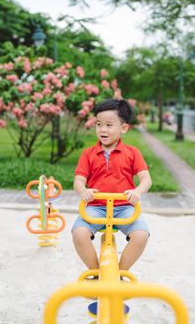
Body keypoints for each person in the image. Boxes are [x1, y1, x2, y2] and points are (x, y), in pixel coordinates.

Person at [72, 99, 152, 271]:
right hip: (96, 206)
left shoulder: (132, 153)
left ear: (123, 128)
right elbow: (78, 180)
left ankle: (120, 272)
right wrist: (83, 190)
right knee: (79, 233)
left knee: (141, 235)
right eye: (99, 124)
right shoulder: (88, 154)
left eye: (109, 125)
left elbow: (146, 179)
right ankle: (95, 272)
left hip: (124, 207)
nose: (102, 129)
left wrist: (137, 191)